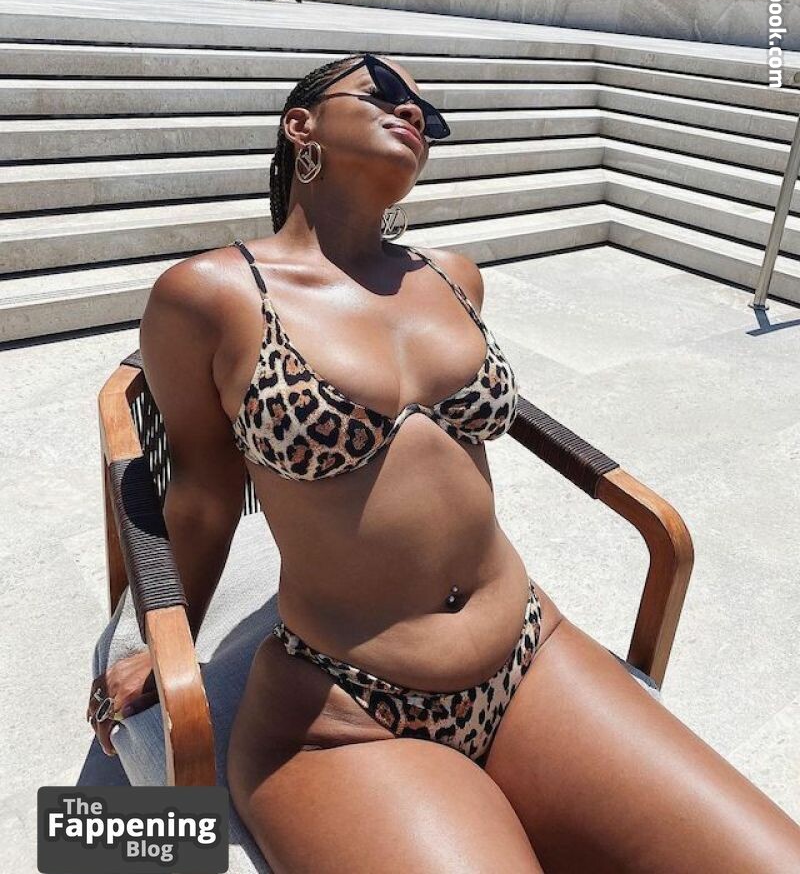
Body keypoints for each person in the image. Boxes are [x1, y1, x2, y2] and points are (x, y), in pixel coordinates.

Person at [88, 52, 800, 872]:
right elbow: (204, 499)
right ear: (300, 125)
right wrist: (164, 638)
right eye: (386, 92)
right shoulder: (209, 295)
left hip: (530, 651)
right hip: (348, 710)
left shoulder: (454, 277)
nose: (414, 114)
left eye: (428, 114)